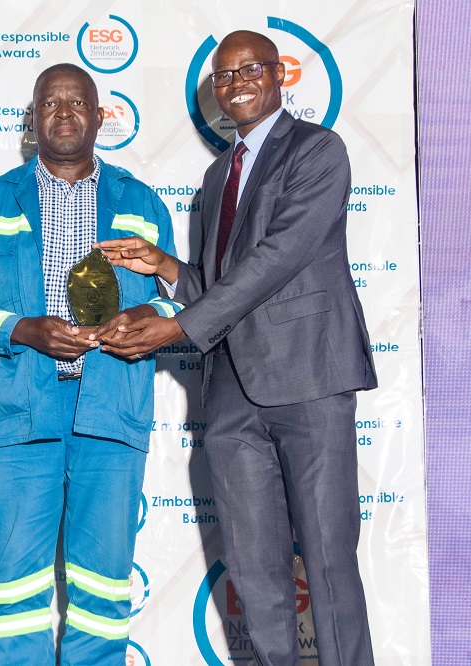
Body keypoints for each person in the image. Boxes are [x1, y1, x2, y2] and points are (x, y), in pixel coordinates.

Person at [96, 30, 378, 666]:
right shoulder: (218, 172)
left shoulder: (318, 150)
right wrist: (166, 267)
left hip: (310, 380)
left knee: (328, 565)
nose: (236, 83)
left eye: (250, 69)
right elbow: (223, 284)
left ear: (280, 74)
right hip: (230, 395)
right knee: (253, 571)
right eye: (223, 76)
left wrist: (179, 328)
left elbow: (278, 259)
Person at [0, 64, 183, 665]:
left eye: (78, 102)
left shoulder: (140, 201)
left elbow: (179, 299)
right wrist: (24, 329)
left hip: (111, 409)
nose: (65, 113)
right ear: (33, 119)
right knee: (14, 588)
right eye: (50, 103)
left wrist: (145, 317)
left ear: (99, 116)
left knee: (103, 588)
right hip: (22, 412)